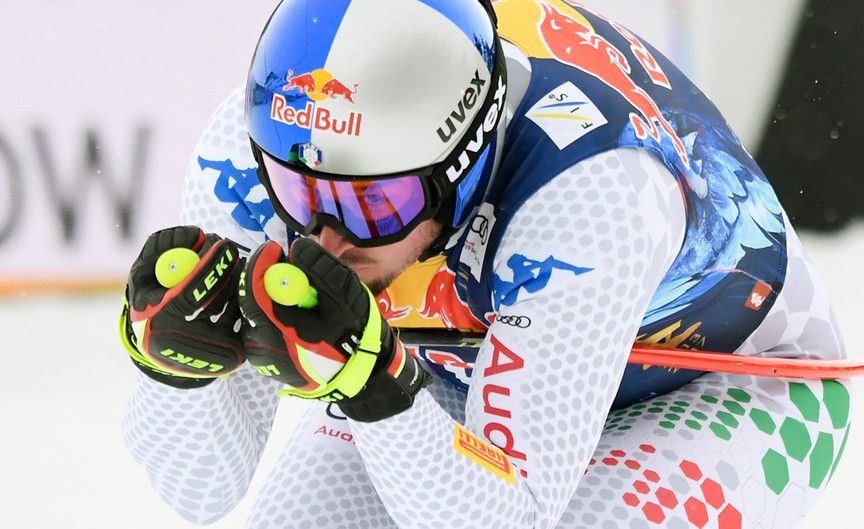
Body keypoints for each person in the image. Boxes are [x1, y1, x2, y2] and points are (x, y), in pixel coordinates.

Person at [120, 1, 853, 527]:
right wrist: (175, 368)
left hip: (729, 386)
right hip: (462, 367)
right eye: (299, 192)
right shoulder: (257, 153)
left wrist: (377, 389)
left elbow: (509, 514)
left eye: (375, 205)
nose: (327, 241)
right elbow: (202, 493)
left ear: (461, 167)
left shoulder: (591, 194)